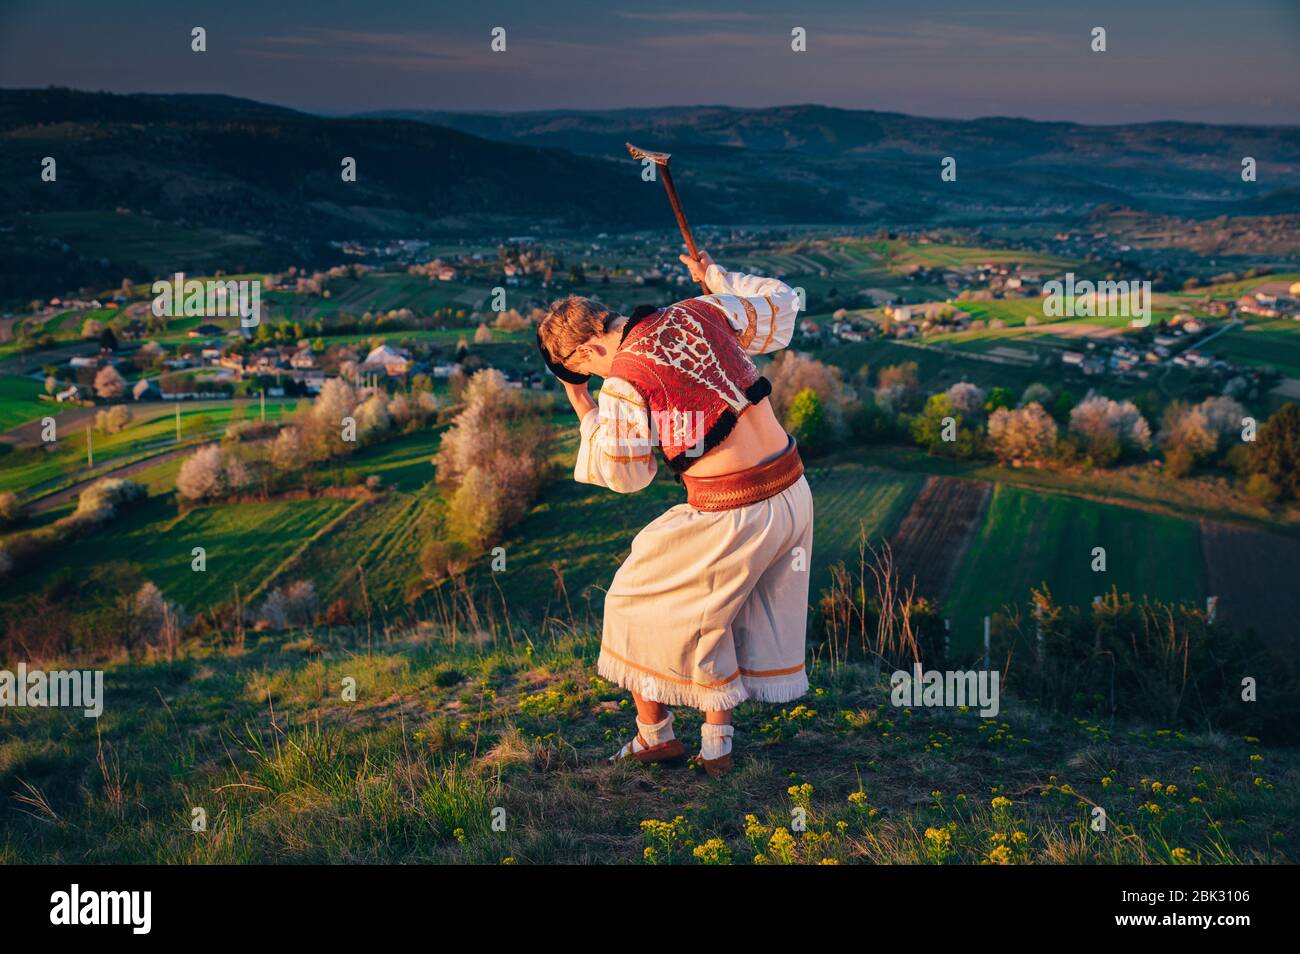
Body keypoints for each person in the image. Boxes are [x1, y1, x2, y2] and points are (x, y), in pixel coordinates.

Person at [535, 251, 813, 778]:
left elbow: (626, 474)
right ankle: (715, 746)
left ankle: (656, 737)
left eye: (585, 368)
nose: (595, 376)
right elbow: (780, 303)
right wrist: (716, 277)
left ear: (592, 347)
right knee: (716, 612)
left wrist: (583, 403)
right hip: (792, 489)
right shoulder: (697, 311)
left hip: (735, 510)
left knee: (632, 603)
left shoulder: (623, 379)